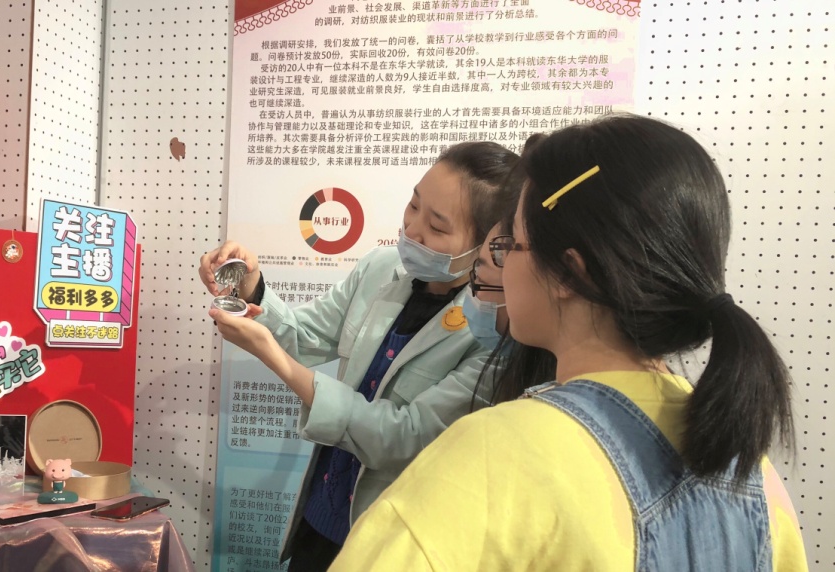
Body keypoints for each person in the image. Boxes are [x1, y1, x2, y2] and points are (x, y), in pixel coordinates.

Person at [331, 115, 808, 571]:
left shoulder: (495, 454)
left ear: (566, 273)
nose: (498, 269)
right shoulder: (754, 476)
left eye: (510, 245)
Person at [199, 142, 518, 571]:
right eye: (414, 205)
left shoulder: (492, 330)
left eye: (437, 227)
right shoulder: (380, 268)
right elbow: (305, 335)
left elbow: (403, 437)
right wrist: (251, 286)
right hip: (320, 519)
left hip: (394, 542)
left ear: (486, 244)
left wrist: (277, 361)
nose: (412, 229)